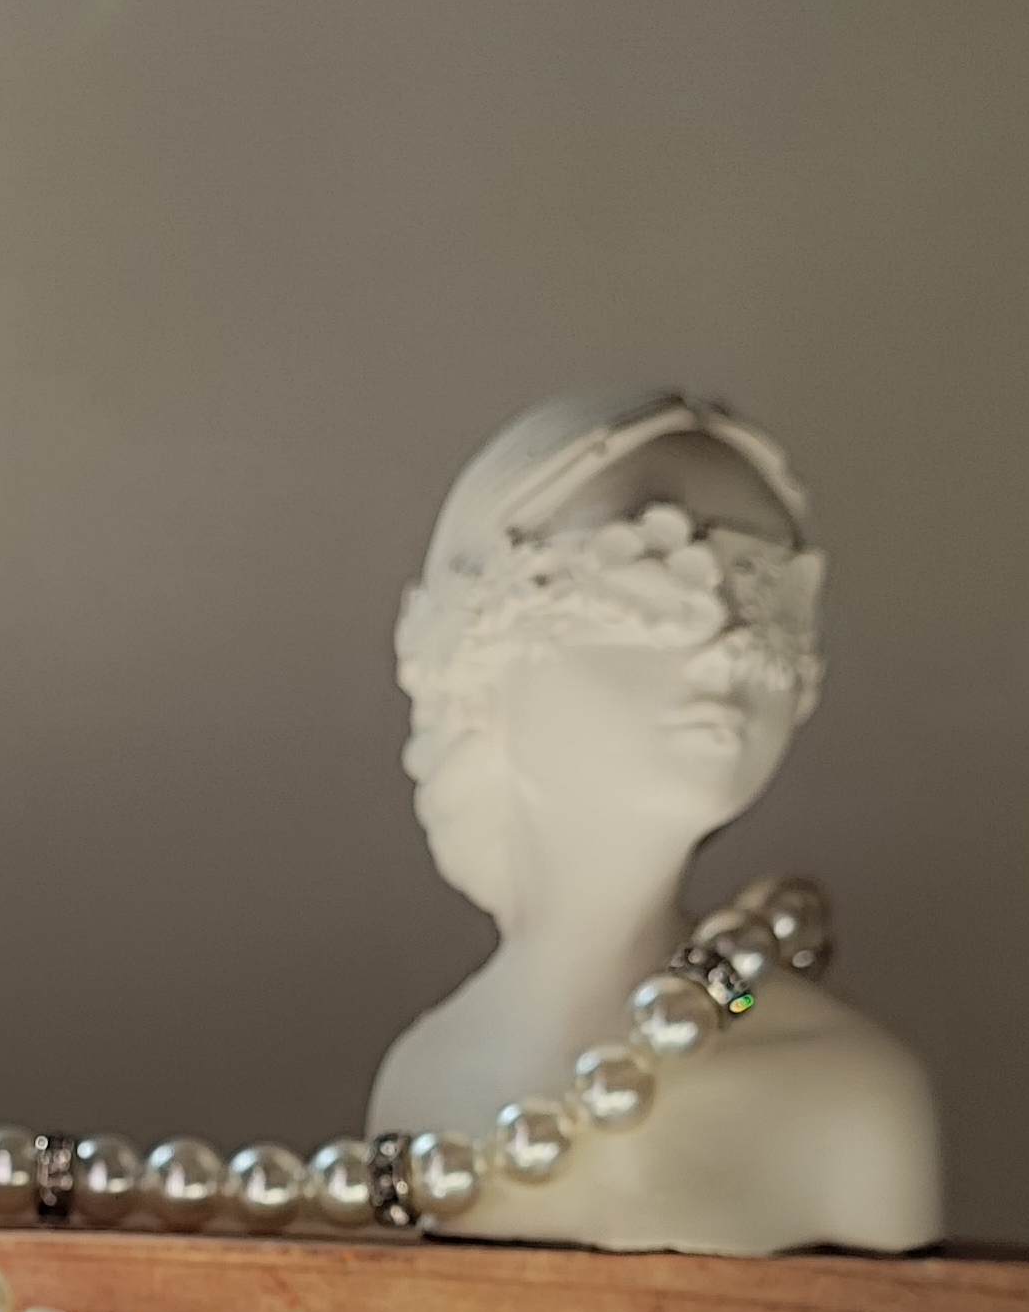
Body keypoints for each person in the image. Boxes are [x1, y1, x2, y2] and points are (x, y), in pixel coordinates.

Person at [371, 392, 941, 1250]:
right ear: (477, 663)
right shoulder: (426, 1076)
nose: (721, 646)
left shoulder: (851, 1093)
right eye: (639, 594)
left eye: (763, 599)